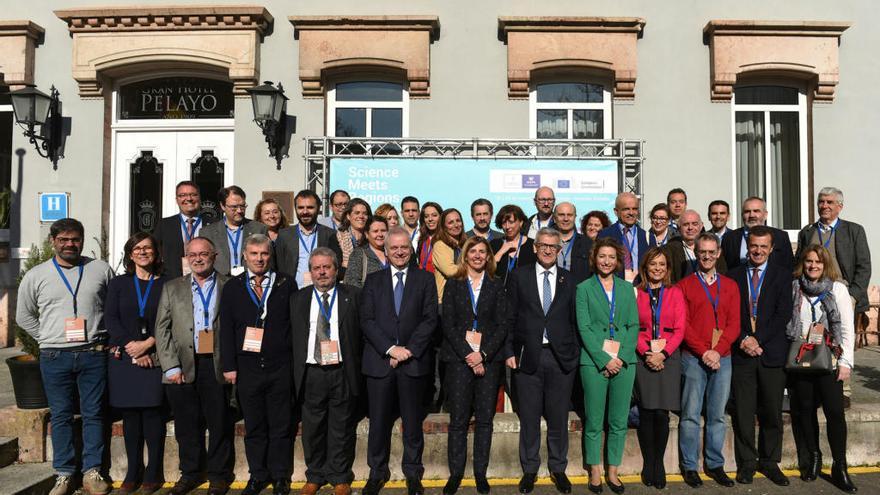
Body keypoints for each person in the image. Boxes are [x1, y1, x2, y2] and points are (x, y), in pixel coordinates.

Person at [16, 218, 115, 495]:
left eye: (75, 239)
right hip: (54, 355)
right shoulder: (36, 275)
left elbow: (113, 306)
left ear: (82, 240)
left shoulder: (100, 270)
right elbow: (23, 316)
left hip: (93, 353)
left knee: (94, 413)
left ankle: (92, 471)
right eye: (64, 240)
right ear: (53, 242)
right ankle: (64, 473)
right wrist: (48, 336)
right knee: (60, 416)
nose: (70, 244)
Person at [360, 227, 439, 495]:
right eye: (394, 248)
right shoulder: (373, 281)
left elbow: (430, 319)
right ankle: (376, 472)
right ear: (385, 250)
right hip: (380, 363)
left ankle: (413, 473)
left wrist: (408, 350)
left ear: (411, 248)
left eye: (404, 247)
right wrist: (391, 349)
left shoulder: (425, 279)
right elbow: (367, 320)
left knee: (413, 423)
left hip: (413, 364)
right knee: (378, 423)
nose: (399, 252)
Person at [155, 236, 235, 495]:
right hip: (182, 366)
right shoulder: (172, 287)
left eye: (203, 254)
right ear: (186, 258)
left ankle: (218, 476)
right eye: (193, 254)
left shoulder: (229, 286)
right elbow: (162, 329)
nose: (198, 258)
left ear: (214, 256)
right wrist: (170, 366)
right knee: (186, 425)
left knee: (220, 423)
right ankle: (189, 473)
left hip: (217, 364)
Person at [504, 228, 579, 495]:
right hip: (528, 357)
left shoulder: (570, 280)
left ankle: (558, 468)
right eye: (543, 245)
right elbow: (509, 317)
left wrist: (574, 354)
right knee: (530, 417)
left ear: (560, 250)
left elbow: (575, 321)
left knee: (558, 418)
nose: (548, 250)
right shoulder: (519, 276)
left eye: (553, 247)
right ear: (535, 248)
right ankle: (530, 469)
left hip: (560, 358)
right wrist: (509, 352)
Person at [219, 234, 296, 495]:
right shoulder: (232, 287)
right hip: (247, 367)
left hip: (280, 366)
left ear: (270, 255)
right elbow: (226, 330)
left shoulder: (286, 283)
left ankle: (280, 475)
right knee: (254, 426)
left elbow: (295, 326)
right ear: (244, 256)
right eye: (254, 254)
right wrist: (229, 366)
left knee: (281, 425)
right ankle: (258, 475)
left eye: (264, 254)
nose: (259, 259)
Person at [291, 248, 362, 495]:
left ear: (336, 269)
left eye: (326, 267)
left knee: (341, 427)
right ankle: (315, 475)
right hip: (312, 372)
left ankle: (340, 476)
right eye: (316, 268)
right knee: (312, 428)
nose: (322, 272)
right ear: (310, 272)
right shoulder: (298, 299)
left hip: (342, 371)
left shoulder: (352, 296)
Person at [786, 245, 857, 493]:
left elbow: (847, 328)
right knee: (805, 410)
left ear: (825, 264)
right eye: (808, 261)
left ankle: (840, 466)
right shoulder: (796, 287)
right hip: (803, 359)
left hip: (831, 360)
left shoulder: (837, 289)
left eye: (817, 262)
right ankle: (814, 458)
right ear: (803, 263)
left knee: (835, 413)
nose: (813, 265)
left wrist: (846, 362)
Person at [440, 237, 507, 495]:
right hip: (458, 361)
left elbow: (502, 325)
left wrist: (484, 354)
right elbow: (448, 324)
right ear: (465, 256)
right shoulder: (453, 285)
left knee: (485, 420)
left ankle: (480, 472)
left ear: (489, 257)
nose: (478, 256)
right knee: (458, 420)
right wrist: (470, 354)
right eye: (473, 251)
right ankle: (455, 473)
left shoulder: (496, 285)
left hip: (488, 361)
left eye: (483, 252)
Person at [727, 226, 793, 486]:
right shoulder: (732, 276)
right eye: (754, 246)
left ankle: (769, 461)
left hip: (771, 352)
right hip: (742, 353)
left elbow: (783, 314)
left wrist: (758, 339)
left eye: (763, 247)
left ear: (771, 248)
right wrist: (744, 338)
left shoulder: (782, 275)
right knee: (743, 411)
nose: (758, 251)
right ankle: (747, 463)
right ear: (748, 247)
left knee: (771, 411)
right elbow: (729, 315)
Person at [576, 238, 639, 494]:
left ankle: (613, 469)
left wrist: (621, 357)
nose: (606, 261)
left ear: (617, 260)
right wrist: (605, 359)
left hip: (624, 362)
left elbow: (634, 325)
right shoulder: (584, 288)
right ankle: (594, 469)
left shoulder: (626, 288)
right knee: (594, 420)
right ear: (595, 258)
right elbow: (584, 327)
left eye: (611, 257)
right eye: (602, 256)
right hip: (594, 362)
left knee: (618, 420)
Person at [676, 233, 740, 488]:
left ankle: (715, 464)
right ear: (696, 253)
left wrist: (718, 350)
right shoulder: (684, 286)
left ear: (719, 253)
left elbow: (734, 324)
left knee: (717, 415)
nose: (706, 256)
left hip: (722, 358)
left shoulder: (730, 286)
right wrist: (704, 351)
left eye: (711, 252)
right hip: (693, 358)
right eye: (702, 251)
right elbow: (684, 325)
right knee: (690, 414)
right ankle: (690, 466)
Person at [105, 232, 166, 494]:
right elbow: (111, 319)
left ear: (156, 253)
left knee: (153, 415)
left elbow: (169, 321)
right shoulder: (118, 284)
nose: (143, 252)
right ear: (130, 255)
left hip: (155, 357)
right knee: (130, 418)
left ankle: (153, 472)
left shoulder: (167, 284)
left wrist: (148, 344)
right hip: (126, 359)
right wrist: (134, 349)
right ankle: (132, 472)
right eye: (137, 249)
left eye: (148, 248)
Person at [795, 187, 871, 362]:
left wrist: (853, 296)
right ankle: (813, 371)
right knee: (810, 339)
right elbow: (799, 264)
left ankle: (842, 381)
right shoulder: (807, 232)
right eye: (821, 201)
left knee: (841, 340)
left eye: (830, 202)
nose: (824, 206)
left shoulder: (854, 231)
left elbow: (864, 267)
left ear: (840, 206)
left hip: (841, 294)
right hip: (811, 295)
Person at [633, 248, 685, 489]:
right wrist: (647, 353)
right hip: (643, 356)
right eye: (653, 264)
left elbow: (680, 329)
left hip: (668, 357)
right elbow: (632, 326)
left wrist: (662, 353)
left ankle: (659, 463)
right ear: (645, 267)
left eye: (662, 264)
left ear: (667, 268)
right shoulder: (637, 293)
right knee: (647, 412)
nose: (657, 268)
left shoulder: (675, 293)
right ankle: (648, 463)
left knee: (661, 413)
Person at [274, 190, 342, 288]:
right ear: (295, 209)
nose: (305, 212)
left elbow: (336, 266)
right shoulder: (284, 235)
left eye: (310, 207)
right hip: (292, 292)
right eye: (301, 208)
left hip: (322, 291)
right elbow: (279, 266)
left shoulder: (330, 234)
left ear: (318, 209)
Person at [201, 185, 268, 276]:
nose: (239, 211)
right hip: (221, 283)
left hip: (250, 282)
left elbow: (268, 260)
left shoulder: (259, 229)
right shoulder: (207, 232)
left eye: (242, 206)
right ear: (223, 206)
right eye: (234, 207)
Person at [154, 180, 212, 278]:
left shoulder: (214, 224)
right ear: (177, 200)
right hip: (172, 282)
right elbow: (155, 252)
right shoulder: (164, 225)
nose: (189, 198)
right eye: (183, 195)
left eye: (193, 194)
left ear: (200, 198)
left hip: (207, 280)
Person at [721, 197, 793, 271]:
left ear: (765, 214)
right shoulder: (729, 238)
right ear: (742, 215)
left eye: (756, 211)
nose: (752, 215)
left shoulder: (781, 237)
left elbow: (788, 267)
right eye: (747, 211)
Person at [597, 192, 649, 282]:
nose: (631, 213)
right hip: (615, 287)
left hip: (641, 288)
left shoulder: (647, 237)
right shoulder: (604, 235)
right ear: (616, 212)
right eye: (626, 209)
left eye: (635, 209)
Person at [664, 210, 727, 283]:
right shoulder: (669, 250)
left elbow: (722, 272)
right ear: (678, 228)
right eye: (686, 224)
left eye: (694, 224)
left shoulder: (712, 246)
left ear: (701, 226)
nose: (690, 228)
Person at [490, 204, 536, 286]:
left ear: (521, 222)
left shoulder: (532, 244)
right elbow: (487, 270)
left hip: (524, 295)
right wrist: (500, 252)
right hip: (500, 295)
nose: (507, 227)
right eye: (504, 223)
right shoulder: (494, 244)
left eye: (511, 222)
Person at [432, 208, 468, 304]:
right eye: (450, 222)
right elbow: (450, 271)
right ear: (443, 226)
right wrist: (474, 268)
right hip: (446, 300)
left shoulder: (465, 244)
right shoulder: (440, 245)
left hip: (464, 297)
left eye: (458, 221)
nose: (456, 225)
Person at [344, 216, 389, 288]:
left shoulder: (394, 253)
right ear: (367, 234)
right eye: (375, 231)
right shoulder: (358, 254)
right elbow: (351, 283)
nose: (380, 235)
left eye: (383, 231)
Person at [554, 202, 592, 284]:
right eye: (561, 215)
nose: (566, 219)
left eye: (570, 215)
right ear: (554, 218)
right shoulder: (547, 243)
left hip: (578, 293)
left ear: (575, 217)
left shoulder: (588, 244)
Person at [336, 198, 372, 278]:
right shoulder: (337, 238)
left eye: (365, 213)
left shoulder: (371, 240)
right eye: (357, 213)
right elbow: (335, 270)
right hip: (344, 286)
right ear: (348, 216)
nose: (361, 216)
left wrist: (347, 265)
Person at [415, 202, 442, 273]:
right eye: (426, 216)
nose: (430, 219)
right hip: (422, 281)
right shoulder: (422, 239)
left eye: (434, 215)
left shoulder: (445, 239)